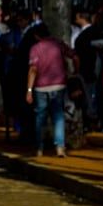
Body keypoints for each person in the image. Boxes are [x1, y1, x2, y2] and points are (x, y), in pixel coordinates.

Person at [26, 23, 74, 157]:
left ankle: (39, 148)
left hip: (40, 86)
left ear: (36, 36)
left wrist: (29, 89)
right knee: (58, 116)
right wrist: (75, 72)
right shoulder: (58, 44)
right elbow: (74, 56)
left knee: (40, 117)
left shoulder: (35, 48)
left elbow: (33, 70)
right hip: (59, 84)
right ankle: (59, 147)